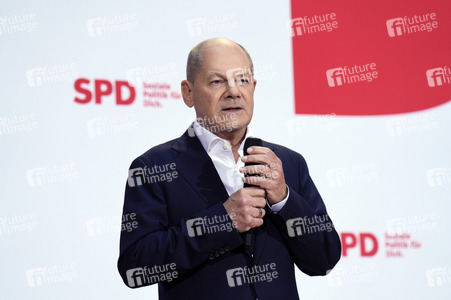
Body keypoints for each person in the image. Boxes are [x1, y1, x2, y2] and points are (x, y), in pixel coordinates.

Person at [117, 37, 341, 300]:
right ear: (188, 93)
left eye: (242, 80)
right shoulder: (153, 167)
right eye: (217, 81)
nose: (234, 91)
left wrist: (284, 198)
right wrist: (222, 222)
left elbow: (324, 259)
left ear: (254, 88)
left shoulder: (288, 163)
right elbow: (136, 266)